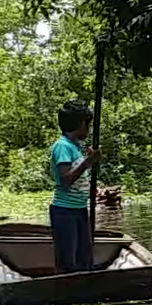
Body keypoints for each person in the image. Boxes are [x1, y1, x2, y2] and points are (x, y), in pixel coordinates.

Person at [49, 100, 98, 273]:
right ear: (79, 125)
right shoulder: (62, 147)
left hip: (79, 209)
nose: (89, 130)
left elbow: (79, 175)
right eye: (87, 125)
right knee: (68, 262)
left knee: (83, 257)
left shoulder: (76, 147)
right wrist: (87, 162)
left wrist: (88, 162)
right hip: (64, 211)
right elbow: (66, 179)